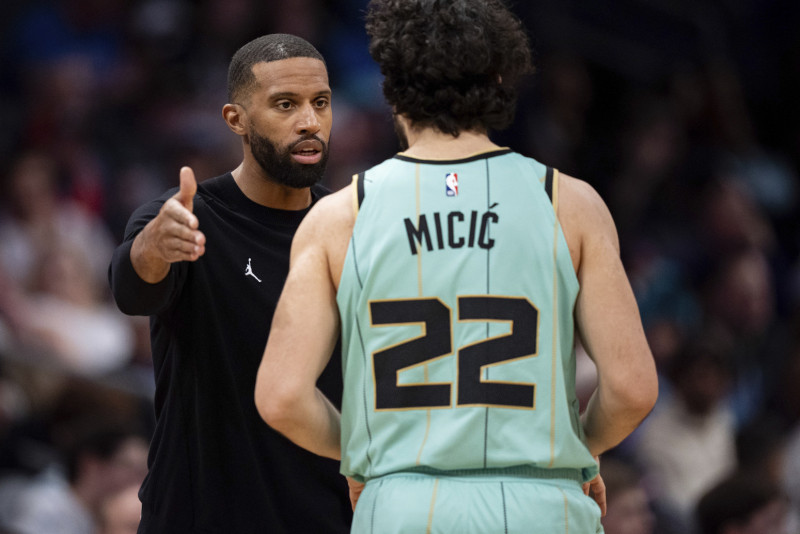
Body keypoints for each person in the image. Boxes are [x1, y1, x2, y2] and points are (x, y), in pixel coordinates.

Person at [255, 1, 658, 532]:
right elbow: (632, 389)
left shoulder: (338, 217)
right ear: (500, 81)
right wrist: (576, 448)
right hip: (541, 504)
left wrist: (364, 454)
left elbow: (282, 397)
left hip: (403, 505)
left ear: (392, 88)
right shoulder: (570, 203)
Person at [108, 34, 351, 532]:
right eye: (285, 104)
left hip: (331, 517)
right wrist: (155, 247)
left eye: (320, 102)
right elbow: (132, 290)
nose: (309, 121)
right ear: (235, 119)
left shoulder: (355, 228)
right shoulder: (185, 218)